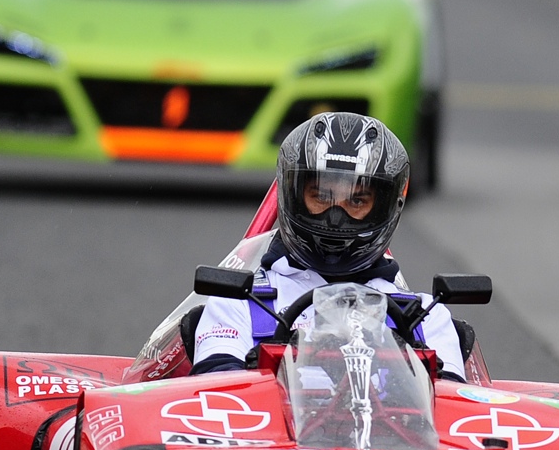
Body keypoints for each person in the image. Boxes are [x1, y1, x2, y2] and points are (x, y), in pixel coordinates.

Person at [190, 111, 466, 381]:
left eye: (356, 202)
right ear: (293, 196)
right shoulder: (238, 301)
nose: (335, 219)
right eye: (321, 196)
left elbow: (453, 411)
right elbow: (218, 396)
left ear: (384, 208)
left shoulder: (425, 318)